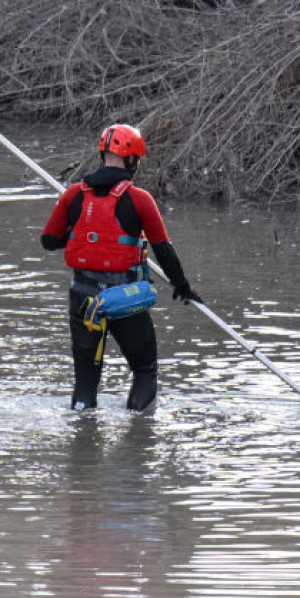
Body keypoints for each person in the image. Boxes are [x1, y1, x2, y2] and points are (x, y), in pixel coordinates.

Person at [40, 124, 202, 411]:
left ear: (104, 155)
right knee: (144, 370)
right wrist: (183, 287)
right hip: (125, 299)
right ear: (132, 160)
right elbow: (163, 249)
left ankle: (82, 436)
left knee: (85, 381)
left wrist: (83, 234)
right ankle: (139, 438)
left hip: (83, 299)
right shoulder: (140, 200)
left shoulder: (73, 195)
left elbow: (49, 241)